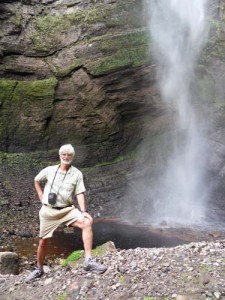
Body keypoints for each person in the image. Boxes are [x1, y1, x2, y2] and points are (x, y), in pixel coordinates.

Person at [25, 144, 107, 282]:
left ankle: (88, 262)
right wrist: (40, 194)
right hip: (48, 211)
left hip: (67, 209)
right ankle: (39, 269)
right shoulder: (50, 170)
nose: (66, 156)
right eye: (64, 154)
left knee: (87, 222)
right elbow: (36, 179)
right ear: (60, 155)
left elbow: (80, 193)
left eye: (69, 154)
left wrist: (83, 211)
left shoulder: (77, 174)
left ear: (72, 157)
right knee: (43, 242)